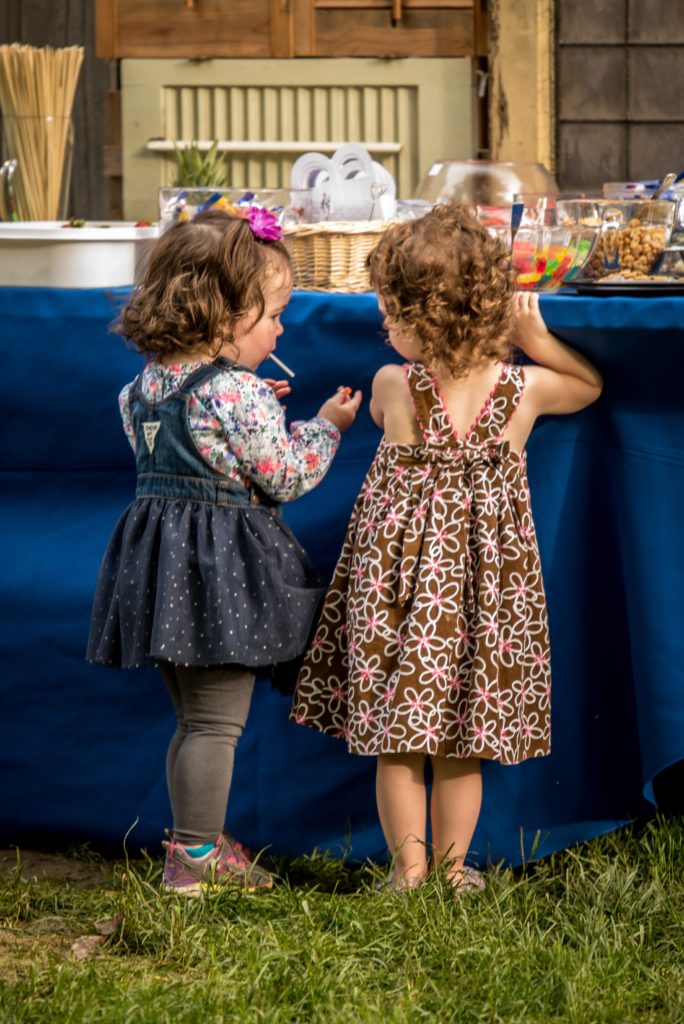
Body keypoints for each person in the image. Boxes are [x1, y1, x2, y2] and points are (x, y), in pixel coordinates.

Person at [291, 203, 602, 891]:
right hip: (478, 596)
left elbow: (376, 417)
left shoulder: (392, 385)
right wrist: (534, 337)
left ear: (423, 319)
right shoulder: (521, 390)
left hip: (397, 594)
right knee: (463, 742)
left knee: (399, 739)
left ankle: (409, 870)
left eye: (393, 316)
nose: (385, 329)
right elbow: (589, 385)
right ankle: (455, 871)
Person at [87, 208, 361, 896]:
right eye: (273, 315)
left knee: (194, 719)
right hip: (219, 575)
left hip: (158, 569)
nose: (279, 331)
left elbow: (189, 443)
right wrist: (324, 425)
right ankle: (195, 863)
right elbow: (284, 477)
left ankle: (195, 842)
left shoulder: (142, 388)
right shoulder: (238, 393)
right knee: (217, 722)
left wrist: (247, 407)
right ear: (224, 314)